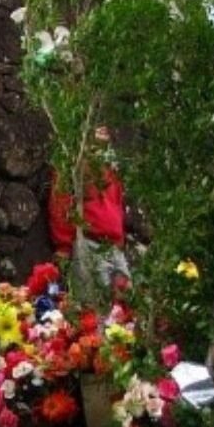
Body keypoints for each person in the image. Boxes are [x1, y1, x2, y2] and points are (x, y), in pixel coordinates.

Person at [47, 126, 130, 300]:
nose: (103, 133)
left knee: (124, 304)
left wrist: (119, 243)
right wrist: (64, 245)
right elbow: (61, 203)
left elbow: (117, 206)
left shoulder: (111, 170)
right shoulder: (73, 165)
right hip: (88, 242)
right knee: (93, 304)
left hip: (113, 248)